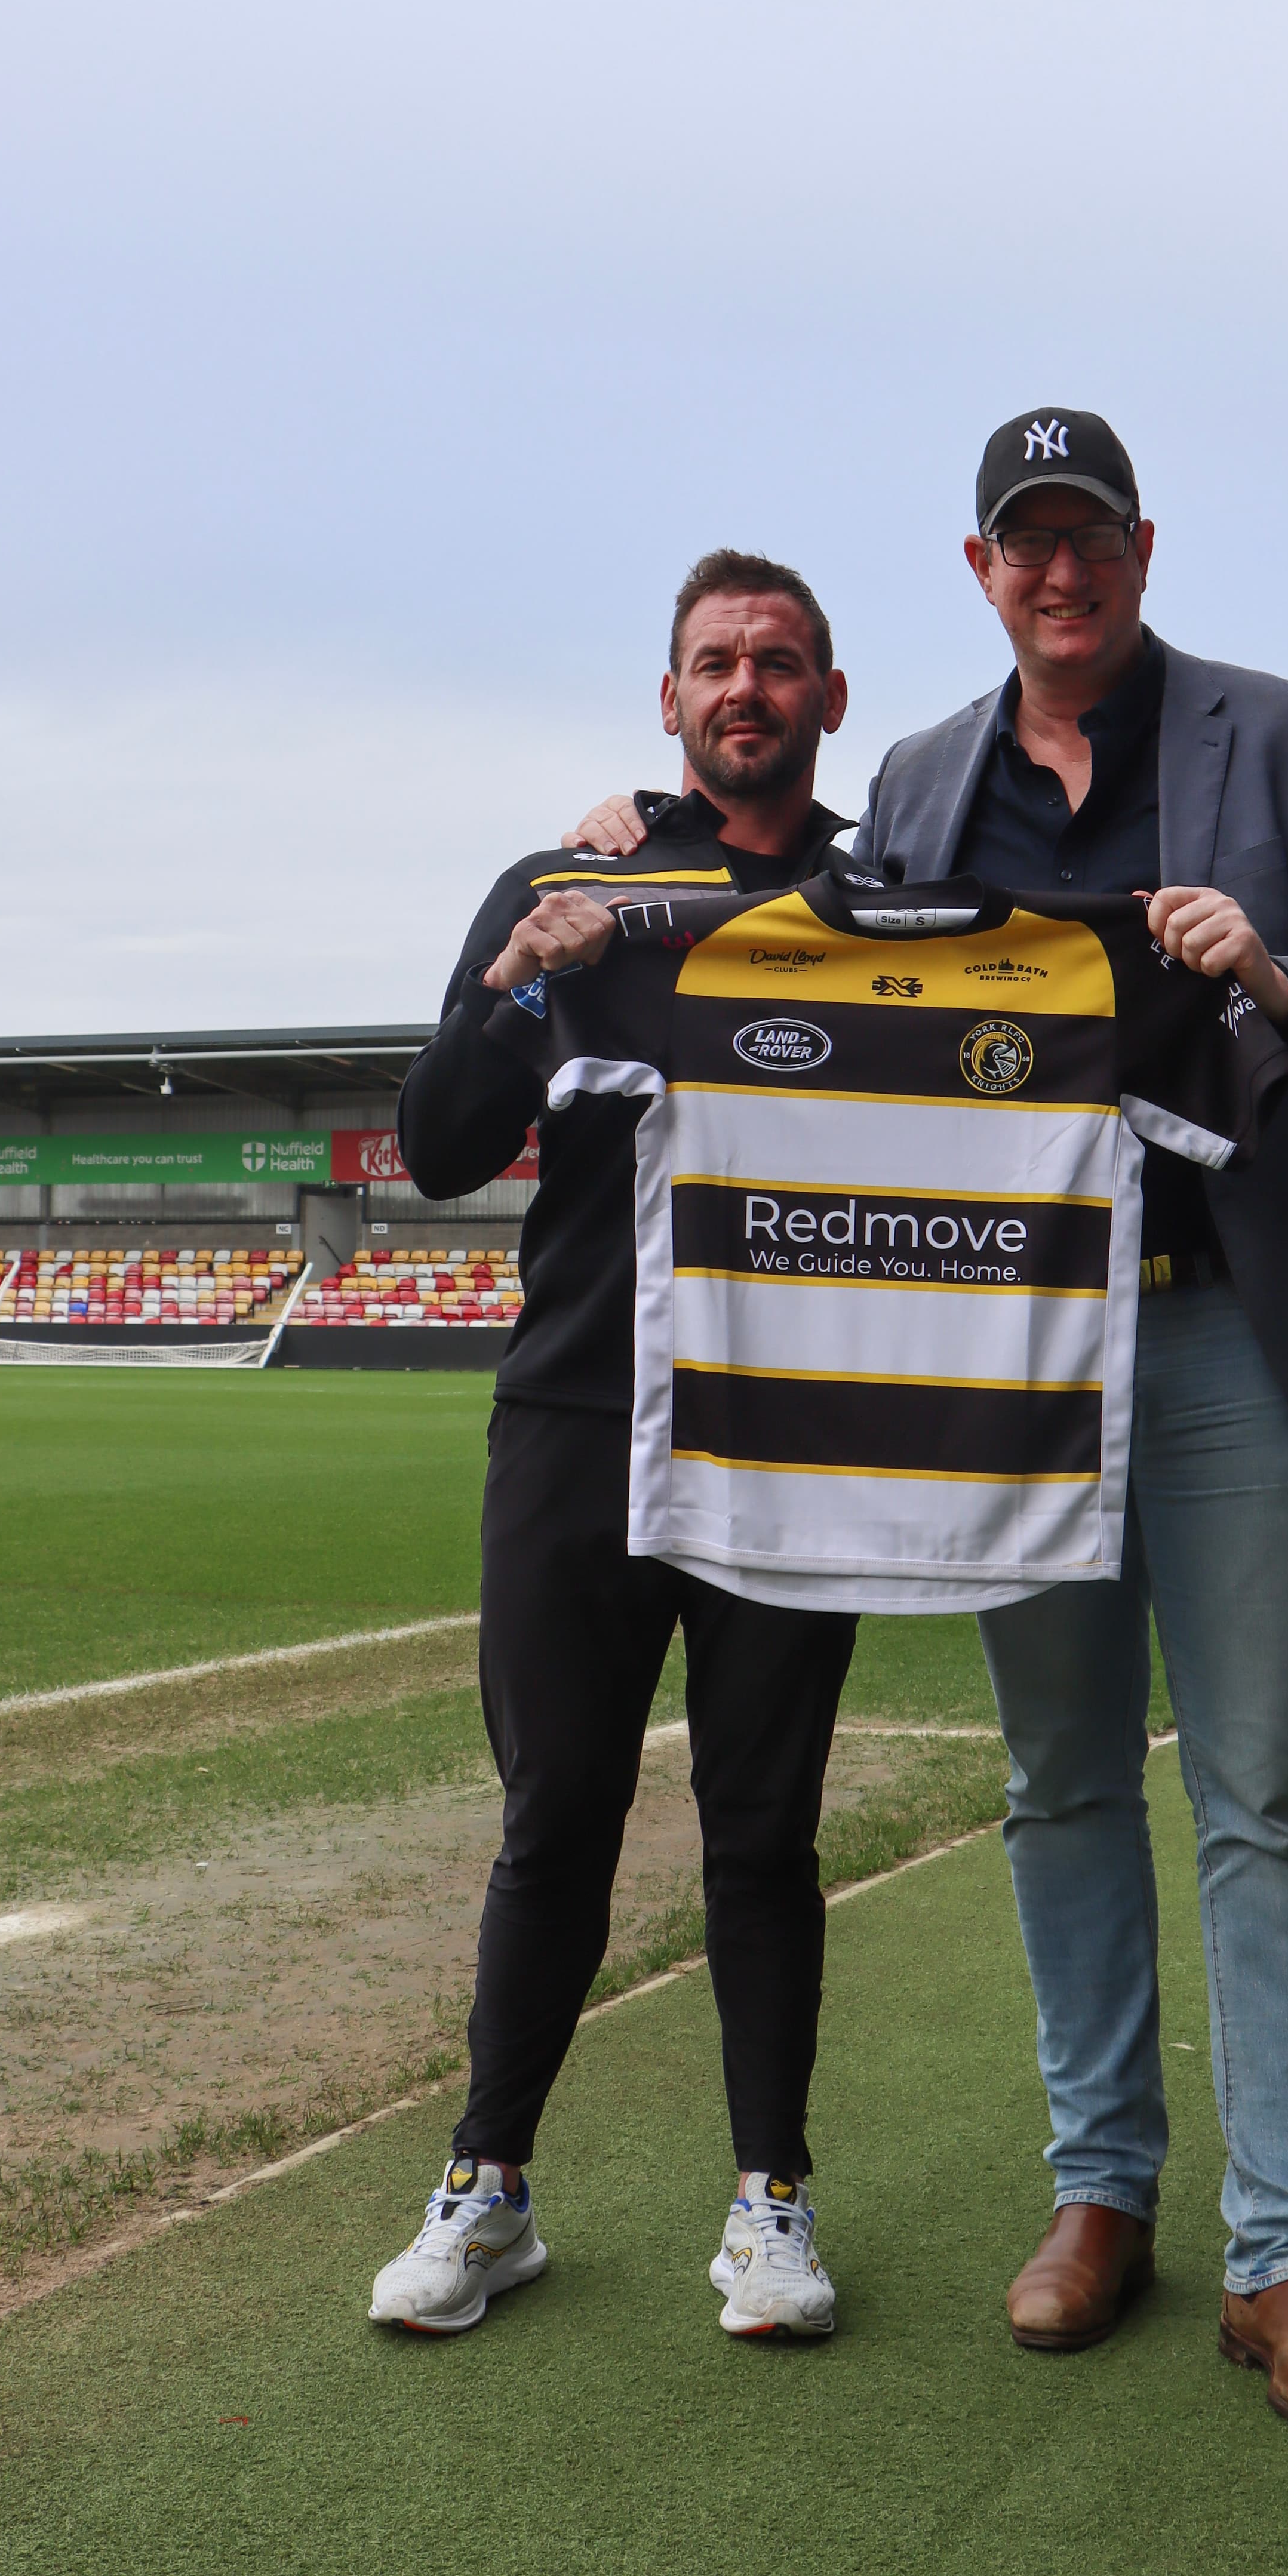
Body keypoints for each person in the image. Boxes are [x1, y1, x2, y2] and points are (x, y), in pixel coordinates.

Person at [565, 410, 1288, 2440]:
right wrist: (628, 850)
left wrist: (1287, 974)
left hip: (1228, 1337)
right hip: (1016, 1366)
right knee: (1060, 1786)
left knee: (1267, 1804)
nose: (1057, 574)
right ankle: (1102, 2194)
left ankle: (1287, 2258)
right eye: (1020, 544)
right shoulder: (915, 778)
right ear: (981, 572)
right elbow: (811, 974)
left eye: (1086, 538)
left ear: (1139, 549)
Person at [368, 552, 860, 2347]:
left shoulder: (885, 895)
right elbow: (431, 1144)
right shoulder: (565, 880)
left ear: (828, 696)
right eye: (716, 662)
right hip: (577, 1415)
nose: (747, 686)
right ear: (670, 702)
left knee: (763, 1833)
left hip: (793, 1434)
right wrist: (521, 973)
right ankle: (488, 2191)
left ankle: (773, 2206)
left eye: (780, 662)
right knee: (555, 1813)